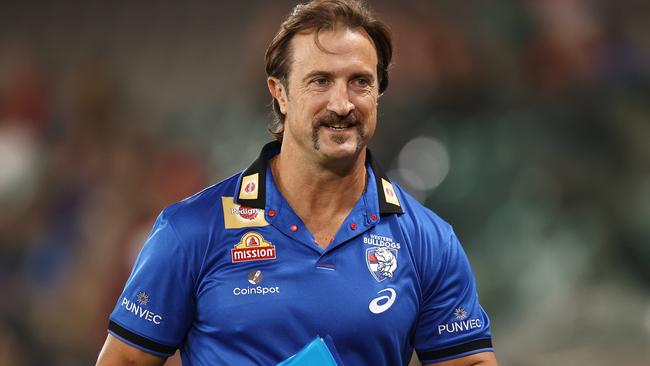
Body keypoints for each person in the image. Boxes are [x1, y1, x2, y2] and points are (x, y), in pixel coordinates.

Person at [96, 0, 498, 365]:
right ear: (281, 93)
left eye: (360, 81)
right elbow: (125, 361)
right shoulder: (192, 230)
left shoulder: (427, 240)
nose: (341, 104)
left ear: (378, 93)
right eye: (320, 81)